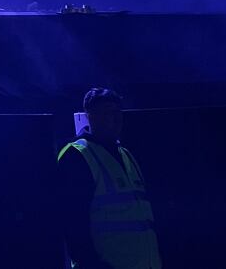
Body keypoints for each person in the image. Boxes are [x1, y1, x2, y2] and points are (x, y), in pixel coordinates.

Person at [57, 87, 161, 269]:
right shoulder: (77, 156)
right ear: (90, 116)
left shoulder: (126, 154)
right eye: (107, 113)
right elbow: (72, 224)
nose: (115, 119)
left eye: (117, 112)